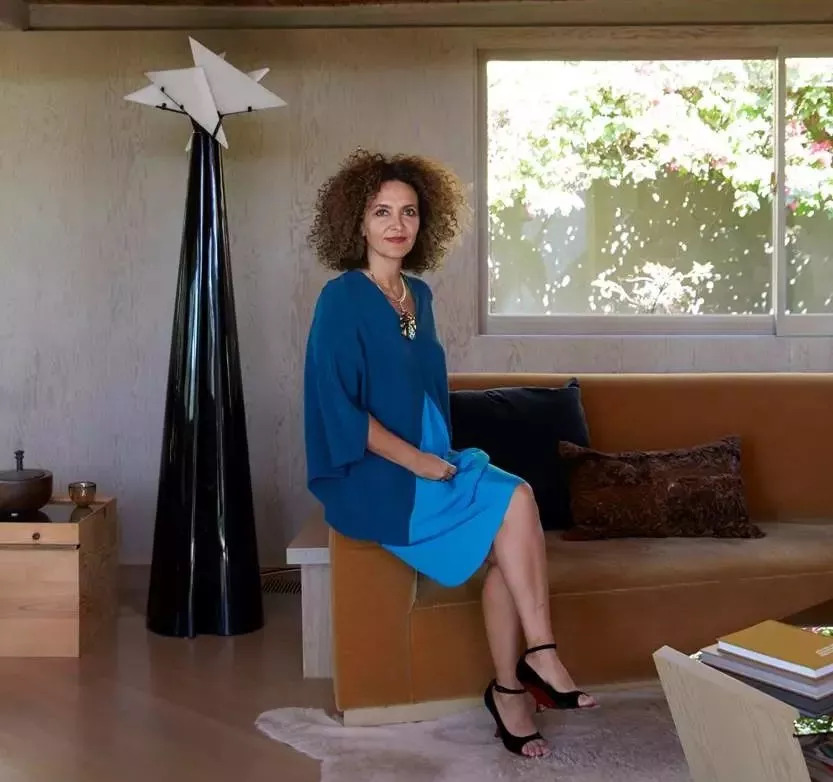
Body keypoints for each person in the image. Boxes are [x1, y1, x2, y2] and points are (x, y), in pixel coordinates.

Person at [303, 148, 596, 759]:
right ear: (356, 222)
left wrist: (440, 459)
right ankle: (538, 660)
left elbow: (422, 390)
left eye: (409, 212)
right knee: (515, 503)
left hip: (436, 461)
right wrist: (421, 464)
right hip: (382, 475)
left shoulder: (420, 295)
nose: (397, 224)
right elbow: (339, 410)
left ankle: (513, 685)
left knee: (514, 520)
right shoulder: (341, 299)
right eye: (382, 211)